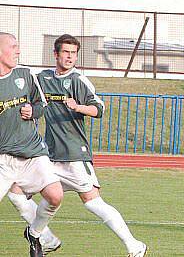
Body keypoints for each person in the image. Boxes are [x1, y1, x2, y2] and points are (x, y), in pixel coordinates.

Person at [7, 34, 147, 257]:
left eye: (73, 53)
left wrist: (78, 107)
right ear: (56, 54)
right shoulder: (42, 78)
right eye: (66, 52)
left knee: (93, 202)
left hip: (74, 155)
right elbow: (21, 80)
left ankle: (134, 245)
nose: (70, 57)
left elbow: (99, 109)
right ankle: (46, 238)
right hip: (48, 156)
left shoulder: (78, 81)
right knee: (16, 193)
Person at [0, 32, 64, 257]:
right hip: (3, 160)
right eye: (13, 46)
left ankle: (35, 234)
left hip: (33, 152)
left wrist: (32, 111)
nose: (18, 50)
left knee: (55, 195)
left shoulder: (26, 74)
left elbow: (41, 104)